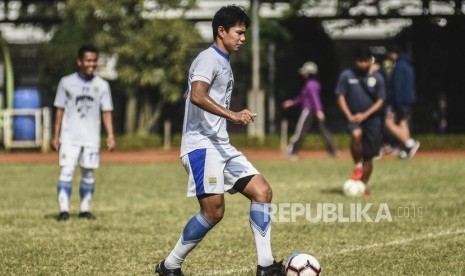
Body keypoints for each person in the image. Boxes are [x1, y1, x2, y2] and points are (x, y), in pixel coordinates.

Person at [155, 5, 285, 276]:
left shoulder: (221, 61)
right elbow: (197, 95)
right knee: (213, 213)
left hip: (220, 145)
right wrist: (233, 115)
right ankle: (170, 265)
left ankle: (266, 266)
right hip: (202, 147)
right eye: (238, 32)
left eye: (245, 33)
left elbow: (191, 94)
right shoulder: (209, 58)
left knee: (262, 192)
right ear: (221, 31)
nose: (243, 38)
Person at [52, 44, 115, 221]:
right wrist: (55, 135)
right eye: (88, 60)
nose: (91, 63)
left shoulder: (102, 85)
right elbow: (59, 109)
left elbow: (106, 111)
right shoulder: (66, 82)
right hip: (69, 137)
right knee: (66, 171)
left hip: (91, 138)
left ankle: (84, 209)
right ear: (79, 61)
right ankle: (63, 210)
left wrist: (110, 135)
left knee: (88, 173)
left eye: (94, 60)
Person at [335, 48, 386, 194]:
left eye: (366, 61)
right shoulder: (346, 75)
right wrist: (349, 115)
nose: (363, 64)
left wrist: (365, 115)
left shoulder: (378, 78)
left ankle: (362, 186)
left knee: (369, 156)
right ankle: (357, 164)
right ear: (355, 61)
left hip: (373, 119)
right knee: (356, 135)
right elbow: (340, 96)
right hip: (353, 117)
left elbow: (381, 101)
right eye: (360, 61)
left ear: (371, 61)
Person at [282, 61, 338, 160]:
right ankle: (333, 151)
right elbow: (303, 98)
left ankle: (292, 152)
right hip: (314, 110)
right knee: (323, 130)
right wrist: (292, 102)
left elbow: (314, 98)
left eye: (305, 72)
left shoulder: (311, 84)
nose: (303, 74)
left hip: (308, 110)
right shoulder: (312, 83)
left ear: (309, 73)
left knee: (300, 131)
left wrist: (319, 111)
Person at [382, 46, 420, 159]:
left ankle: (409, 143)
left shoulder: (399, 66)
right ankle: (406, 149)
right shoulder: (408, 65)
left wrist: (396, 102)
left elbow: (398, 87)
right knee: (403, 124)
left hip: (400, 101)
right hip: (408, 100)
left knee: (388, 122)